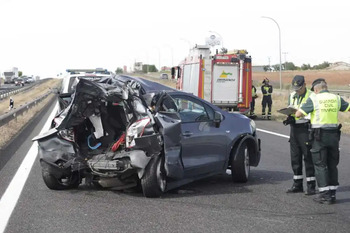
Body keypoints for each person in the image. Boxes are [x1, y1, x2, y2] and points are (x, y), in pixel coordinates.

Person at [295, 78, 350, 204]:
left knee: (320, 164)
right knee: (332, 164)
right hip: (334, 135)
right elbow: (348, 108)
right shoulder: (336, 98)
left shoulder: (314, 98)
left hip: (319, 136)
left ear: (315, 90)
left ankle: (324, 194)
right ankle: (332, 193)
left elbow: (298, 114)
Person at [284, 75, 315, 195]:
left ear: (305, 85)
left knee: (308, 157)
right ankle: (297, 184)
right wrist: (289, 117)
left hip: (306, 128)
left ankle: (311, 186)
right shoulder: (292, 95)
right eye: (295, 88)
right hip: (294, 129)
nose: (297, 90)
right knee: (295, 157)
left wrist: (301, 116)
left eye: (299, 88)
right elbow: (290, 108)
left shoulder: (312, 96)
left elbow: (313, 112)